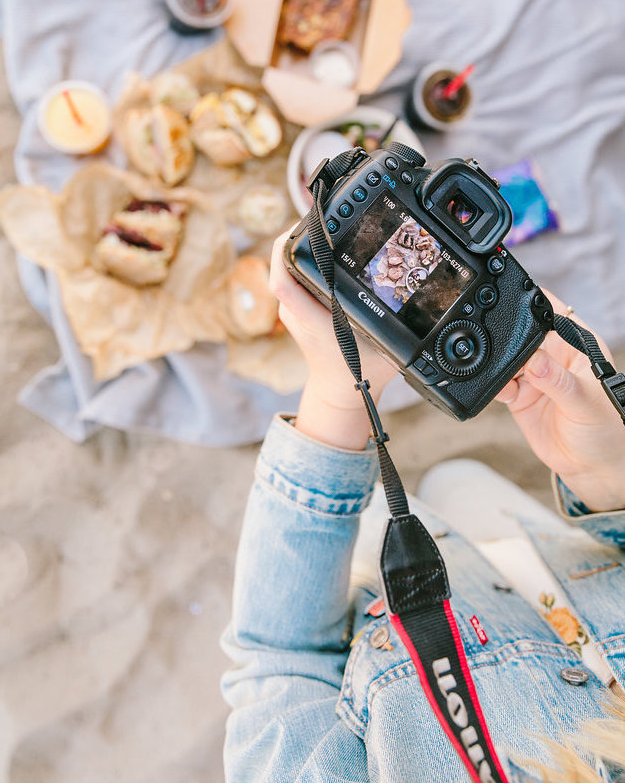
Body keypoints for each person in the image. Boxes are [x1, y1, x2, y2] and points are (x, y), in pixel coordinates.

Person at [221, 232, 625, 783]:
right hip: (555, 562)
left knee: (406, 508)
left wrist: (340, 398)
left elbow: (279, 659)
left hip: (385, 588)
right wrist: (607, 478)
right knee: (460, 483)